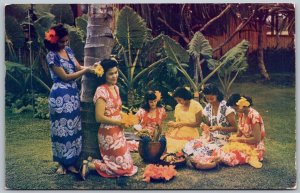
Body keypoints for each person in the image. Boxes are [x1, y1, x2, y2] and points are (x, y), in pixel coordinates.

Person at [45, 24, 95, 174]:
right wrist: (86, 70)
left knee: (73, 129)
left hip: (73, 95)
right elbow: (65, 77)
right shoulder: (51, 56)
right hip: (60, 96)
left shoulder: (68, 50)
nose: (65, 44)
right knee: (61, 130)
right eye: (62, 41)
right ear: (54, 41)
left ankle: (71, 162)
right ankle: (62, 163)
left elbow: (78, 67)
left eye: (67, 41)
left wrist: (91, 68)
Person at [80, 58, 138, 182]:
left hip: (119, 131)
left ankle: (92, 162)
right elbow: (99, 117)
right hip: (108, 134)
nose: (114, 76)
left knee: (128, 166)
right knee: (123, 169)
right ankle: (91, 165)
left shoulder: (115, 88)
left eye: (116, 72)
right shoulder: (101, 90)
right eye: (111, 73)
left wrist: (127, 118)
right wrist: (119, 122)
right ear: (104, 75)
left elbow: (117, 110)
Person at [218, 93, 266, 168]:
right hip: (244, 143)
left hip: (254, 149)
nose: (235, 111)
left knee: (229, 158)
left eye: (236, 109)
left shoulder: (254, 116)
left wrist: (239, 139)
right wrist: (233, 138)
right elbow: (240, 132)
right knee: (222, 151)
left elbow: (257, 139)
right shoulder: (242, 114)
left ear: (242, 105)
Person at [166, 87, 203, 153]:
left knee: (183, 146)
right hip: (179, 131)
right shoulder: (178, 107)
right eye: (177, 100)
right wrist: (173, 124)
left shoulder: (196, 106)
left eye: (179, 100)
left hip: (191, 132)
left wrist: (184, 124)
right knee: (168, 143)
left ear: (185, 97)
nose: (178, 102)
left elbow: (198, 124)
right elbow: (178, 122)